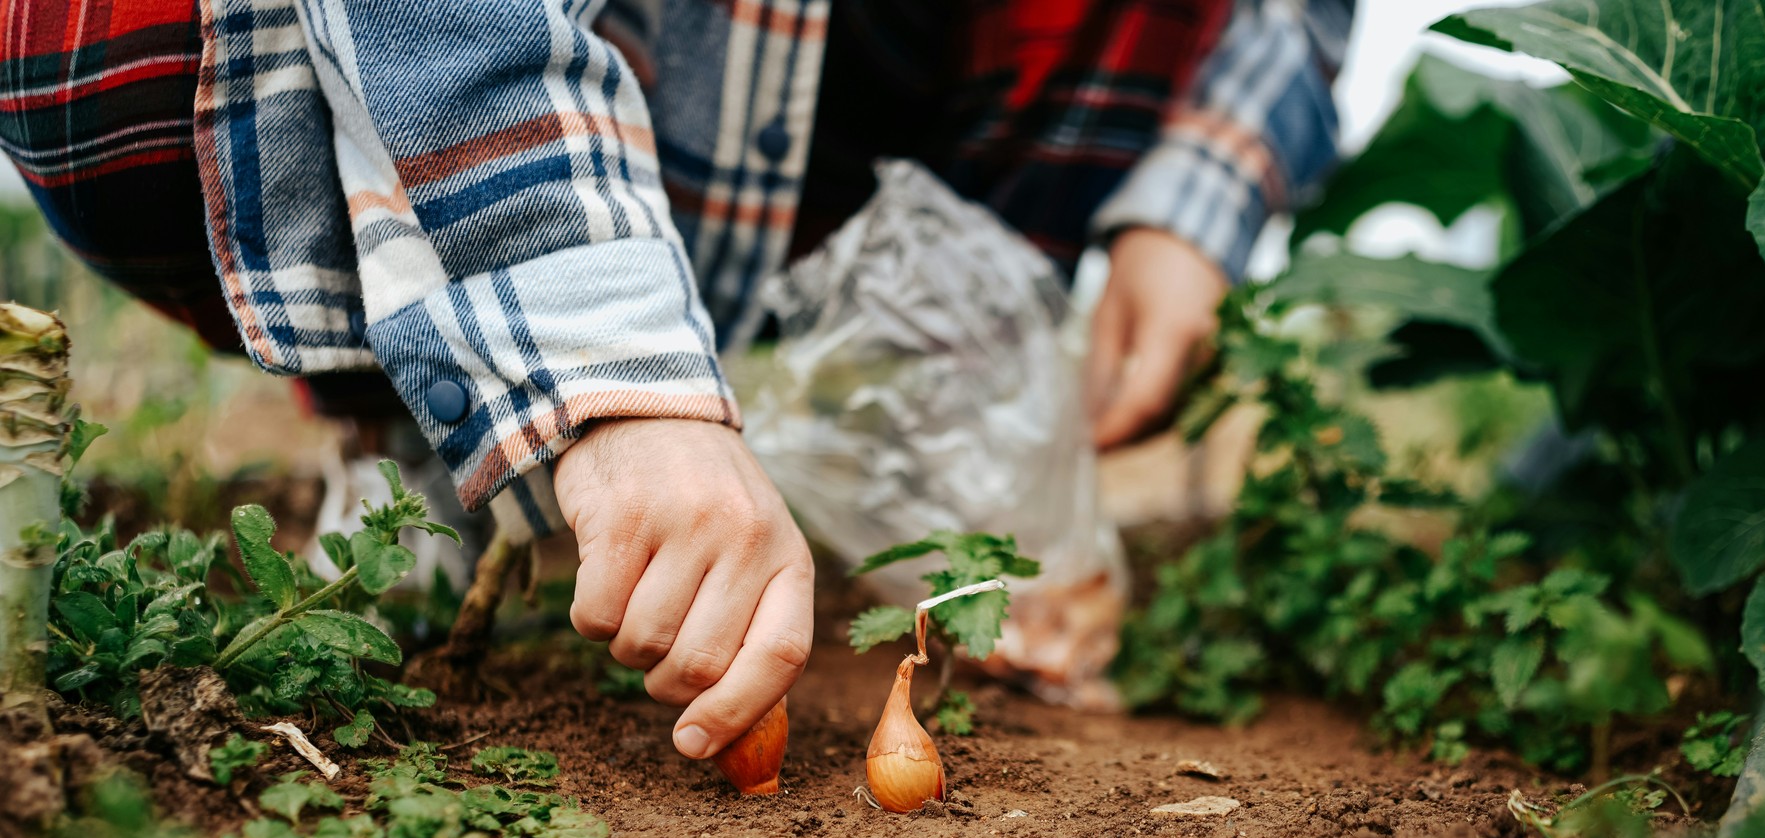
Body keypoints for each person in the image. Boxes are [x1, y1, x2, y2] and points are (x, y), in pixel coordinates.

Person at [0, 0, 1347, 759]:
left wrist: (1197, 186)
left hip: (800, 117)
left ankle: (917, 439)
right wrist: (612, 373)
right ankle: (432, 410)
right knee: (115, 68)